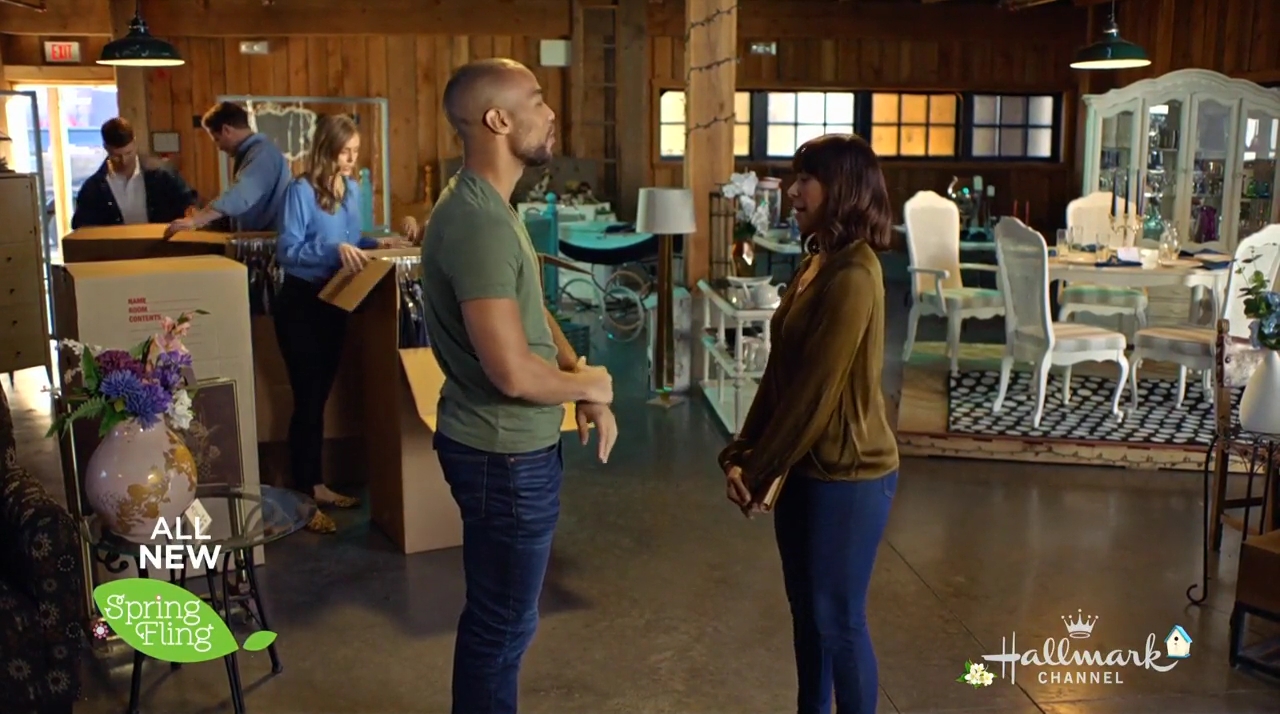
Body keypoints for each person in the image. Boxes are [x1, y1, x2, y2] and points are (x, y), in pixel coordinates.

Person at [420, 58, 617, 714]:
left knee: (503, 620)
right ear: (498, 120)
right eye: (536, 100)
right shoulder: (477, 222)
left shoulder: (490, 204)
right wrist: (595, 388)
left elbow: (529, 311)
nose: (551, 112)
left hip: (509, 451)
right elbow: (510, 371)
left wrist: (576, 375)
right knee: (502, 627)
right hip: (502, 456)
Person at [720, 133, 900, 714]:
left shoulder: (855, 274)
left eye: (805, 180)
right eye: (794, 178)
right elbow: (781, 376)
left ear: (841, 189)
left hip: (848, 475)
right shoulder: (815, 264)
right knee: (809, 617)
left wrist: (759, 469)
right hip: (805, 468)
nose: (792, 191)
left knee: (838, 621)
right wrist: (742, 451)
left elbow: (815, 393)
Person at [273, 114, 401, 534]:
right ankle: (304, 498)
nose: (351, 160)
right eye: (345, 152)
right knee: (308, 399)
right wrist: (335, 249)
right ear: (326, 150)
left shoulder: (353, 188)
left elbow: (353, 240)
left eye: (355, 152)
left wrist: (378, 244)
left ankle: (317, 487)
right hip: (301, 303)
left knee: (321, 396)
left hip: (336, 300)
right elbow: (288, 250)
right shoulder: (300, 190)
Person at [165, 101, 291, 236]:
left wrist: (196, 220)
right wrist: (203, 216)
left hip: (271, 242)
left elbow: (240, 196)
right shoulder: (255, 153)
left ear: (226, 130)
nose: (219, 147)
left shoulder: (264, 154)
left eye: (217, 139)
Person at [71, 117, 198, 229]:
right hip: (116, 248)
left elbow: (187, 201)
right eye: (116, 156)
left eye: (129, 153)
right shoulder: (93, 188)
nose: (124, 161)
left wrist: (190, 213)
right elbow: (81, 226)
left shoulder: (162, 174)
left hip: (162, 244)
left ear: (135, 142)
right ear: (105, 148)